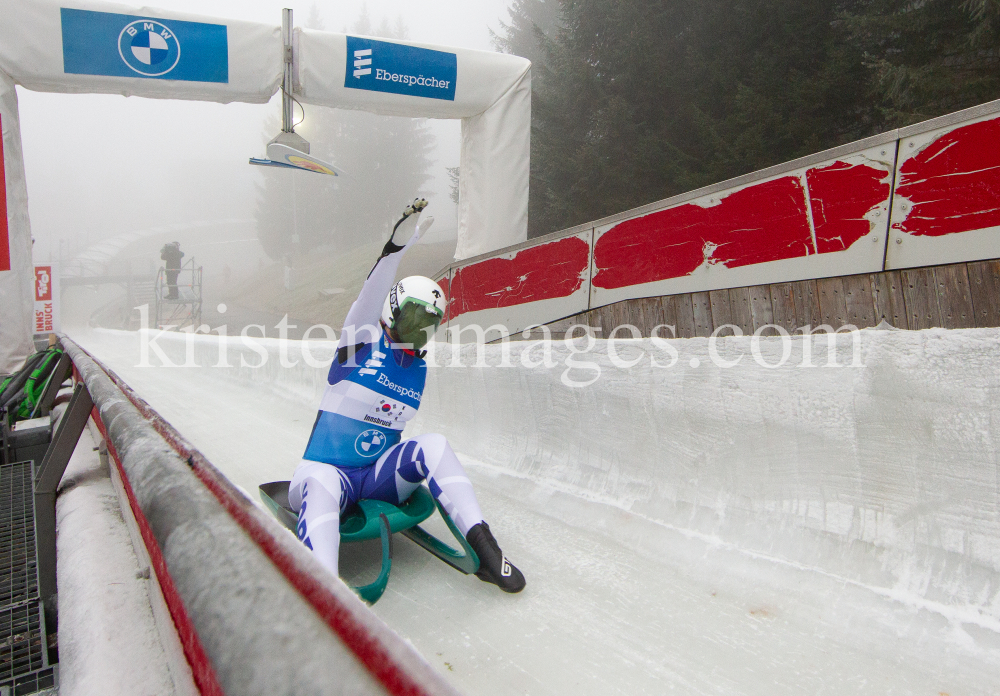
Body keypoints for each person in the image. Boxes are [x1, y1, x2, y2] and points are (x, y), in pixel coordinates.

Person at [288, 198, 525, 593]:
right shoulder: (360, 343)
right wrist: (395, 251)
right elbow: (366, 300)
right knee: (325, 482)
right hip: (325, 474)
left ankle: (486, 548)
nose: (418, 332)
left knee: (433, 445)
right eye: (412, 319)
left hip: (378, 477)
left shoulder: (418, 368)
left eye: (427, 324)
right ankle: (325, 590)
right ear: (393, 313)